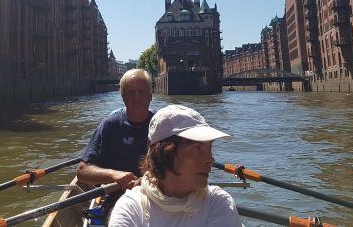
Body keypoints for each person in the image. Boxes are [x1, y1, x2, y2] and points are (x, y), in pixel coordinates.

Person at [108, 104, 242, 227]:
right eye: (197, 149)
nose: (210, 160)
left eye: (209, 148)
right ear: (165, 153)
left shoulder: (218, 202)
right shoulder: (131, 208)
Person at [77, 69, 154, 190]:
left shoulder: (162, 125)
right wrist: (114, 175)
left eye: (141, 92)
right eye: (130, 92)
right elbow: (82, 171)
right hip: (118, 198)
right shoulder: (109, 125)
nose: (136, 97)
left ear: (150, 95)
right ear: (123, 96)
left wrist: (148, 181)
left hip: (156, 197)